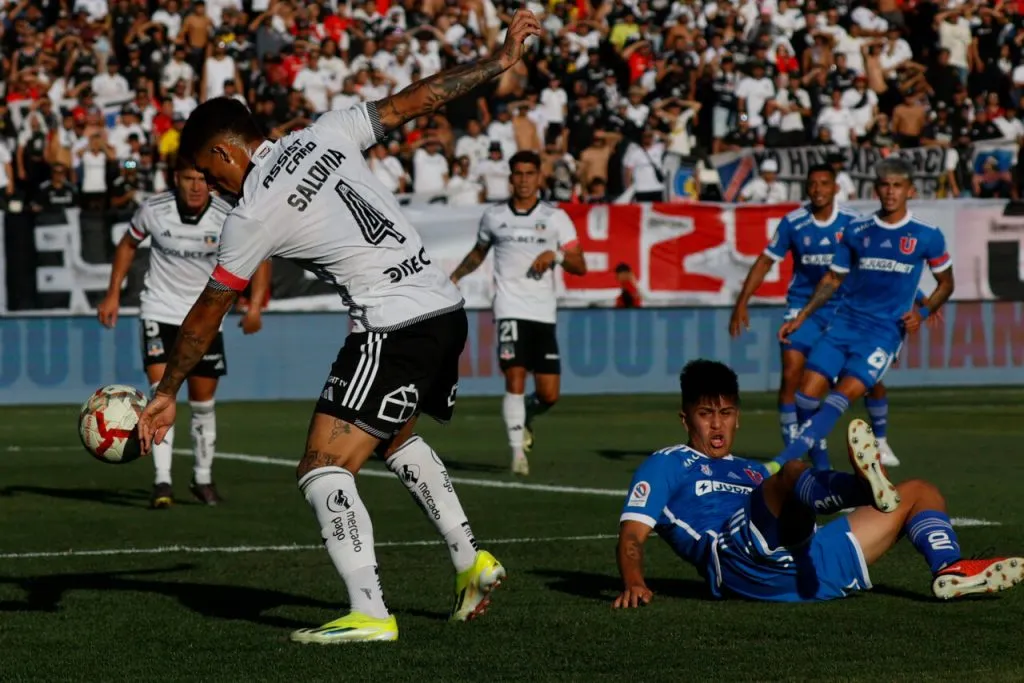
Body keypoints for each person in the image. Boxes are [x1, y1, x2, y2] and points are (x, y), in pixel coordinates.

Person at [136, 10, 544, 645]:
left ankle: (370, 611)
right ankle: (471, 561)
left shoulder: (253, 214)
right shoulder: (324, 131)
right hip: (443, 307)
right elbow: (420, 99)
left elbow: (207, 310)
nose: (214, 188)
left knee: (322, 464)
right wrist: (500, 61)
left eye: (211, 173)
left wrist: (167, 392)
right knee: (393, 437)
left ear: (222, 151)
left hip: (391, 323)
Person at [614, 359, 1022, 608]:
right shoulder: (666, 464)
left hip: (801, 566)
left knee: (919, 492)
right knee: (792, 471)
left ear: (738, 417)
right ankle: (863, 488)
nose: (717, 424)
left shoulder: (752, 470)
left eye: (725, 412)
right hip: (736, 560)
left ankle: (949, 569)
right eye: (705, 413)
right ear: (686, 419)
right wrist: (635, 582)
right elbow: (632, 535)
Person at [98, 162, 270, 508]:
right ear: (176, 179)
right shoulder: (154, 209)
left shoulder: (228, 215)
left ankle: (202, 479)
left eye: (201, 180)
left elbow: (262, 255)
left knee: (203, 403)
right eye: (189, 179)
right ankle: (162, 482)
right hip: (159, 310)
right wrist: (113, 292)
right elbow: (128, 245)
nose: (195, 187)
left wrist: (255, 305)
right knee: (162, 394)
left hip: (205, 317)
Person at [772, 158, 954, 470]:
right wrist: (801, 317)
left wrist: (923, 311)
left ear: (909, 190)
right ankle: (822, 472)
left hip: (883, 333)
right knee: (805, 397)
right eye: (885, 185)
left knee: (839, 398)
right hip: (842, 324)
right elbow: (832, 278)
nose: (890, 192)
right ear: (876, 189)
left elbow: (946, 283)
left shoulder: (927, 235)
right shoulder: (857, 230)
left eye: (897, 186)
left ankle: (781, 462)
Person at [730, 164, 900, 468]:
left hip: (847, 310)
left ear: (835, 187)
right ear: (807, 188)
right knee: (792, 374)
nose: (819, 189)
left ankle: (882, 439)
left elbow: (879, 265)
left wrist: (913, 303)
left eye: (825, 183)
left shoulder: (853, 222)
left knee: (871, 380)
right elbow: (765, 262)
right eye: (813, 184)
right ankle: (798, 452)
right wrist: (742, 301)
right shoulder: (793, 223)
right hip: (803, 308)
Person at [449, 150, 587, 475]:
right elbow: (479, 252)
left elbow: (580, 264)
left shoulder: (556, 218)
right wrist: (453, 278)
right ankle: (517, 456)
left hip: (543, 312)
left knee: (549, 394)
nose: (524, 180)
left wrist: (555, 256)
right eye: (518, 174)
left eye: (530, 173)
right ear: (510, 178)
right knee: (514, 374)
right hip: (509, 307)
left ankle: (527, 415)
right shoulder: (494, 216)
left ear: (539, 177)